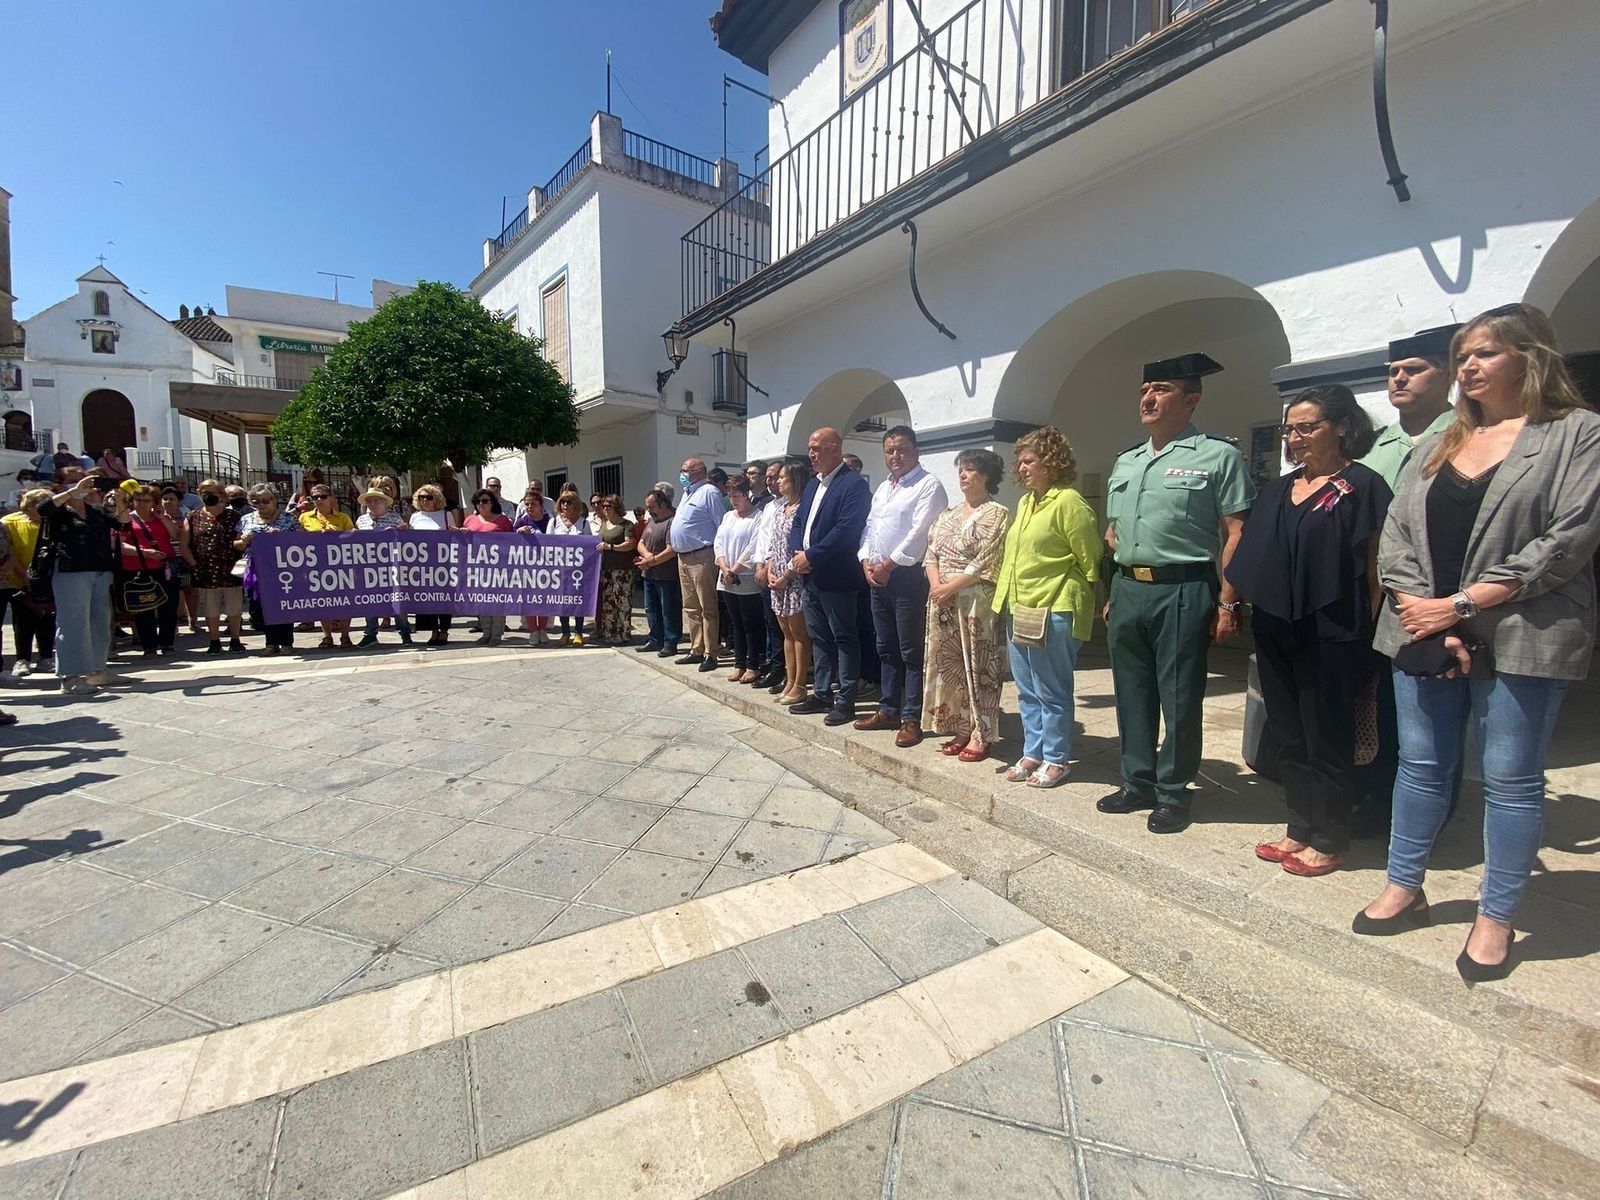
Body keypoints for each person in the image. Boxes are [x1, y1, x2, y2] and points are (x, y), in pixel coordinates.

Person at [1356, 303, 1600, 982]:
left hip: (1526, 629)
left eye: (1486, 351)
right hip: (1422, 627)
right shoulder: (1443, 441)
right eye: (1464, 353)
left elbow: (1570, 537)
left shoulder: (1577, 434)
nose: (1468, 365)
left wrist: (1462, 605)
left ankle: (1495, 915)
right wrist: (1423, 609)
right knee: (1422, 766)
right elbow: (1398, 530)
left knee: (1510, 780)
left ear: (1533, 357)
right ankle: (1405, 884)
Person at [1227, 386, 1390, 876]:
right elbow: (1251, 549)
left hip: (1334, 630)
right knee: (1288, 733)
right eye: (1289, 430)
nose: (1295, 438)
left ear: (1341, 426)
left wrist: (1371, 633)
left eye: (1306, 427)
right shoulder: (1279, 488)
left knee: (1328, 737)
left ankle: (1330, 837)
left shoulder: (1364, 485)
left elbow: (1376, 567)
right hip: (1276, 626)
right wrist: (1230, 600)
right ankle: (1299, 827)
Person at [1100, 354, 1255, 834]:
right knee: (1131, 692)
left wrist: (1229, 601)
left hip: (1183, 588)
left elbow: (1236, 533)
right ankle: (1137, 781)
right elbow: (1112, 533)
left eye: (1161, 390)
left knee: (1180, 695)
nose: (1148, 398)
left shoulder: (1218, 456)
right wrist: (1113, 590)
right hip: (1128, 588)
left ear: (1191, 400)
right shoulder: (1128, 460)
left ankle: (1172, 792)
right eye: (1145, 391)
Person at [1352, 324, 1463, 838]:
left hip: (1433, 600)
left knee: (1433, 714)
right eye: (1393, 371)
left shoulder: (1462, 436)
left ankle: (1431, 816)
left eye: (1413, 369)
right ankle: (1378, 800)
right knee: (1377, 705)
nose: (1398, 379)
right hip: (1373, 596)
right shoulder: (1379, 443)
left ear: (1447, 374)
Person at [991, 428, 1100, 788]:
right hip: (1020, 605)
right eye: (1019, 462)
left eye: (1029, 461)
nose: (1021, 468)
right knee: (1026, 688)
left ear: (1051, 463)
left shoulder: (1068, 502)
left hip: (1054, 604)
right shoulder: (1025, 504)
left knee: (1051, 688)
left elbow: (1090, 560)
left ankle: (1056, 757)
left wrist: (1081, 601)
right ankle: (1033, 751)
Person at [853, 426, 947, 748]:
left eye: (902, 449)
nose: (896, 456)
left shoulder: (928, 485)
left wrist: (887, 565)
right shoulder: (883, 488)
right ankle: (889, 708)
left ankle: (912, 717)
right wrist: (867, 561)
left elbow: (920, 533)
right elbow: (869, 528)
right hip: (877, 577)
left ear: (916, 451)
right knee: (885, 647)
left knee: (910, 651)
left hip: (906, 578)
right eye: (890, 450)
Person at [924, 450, 1010, 762]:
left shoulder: (998, 513)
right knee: (952, 668)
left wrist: (949, 586)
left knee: (980, 667)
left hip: (976, 602)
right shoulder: (945, 515)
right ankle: (961, 726)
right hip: (942, 601)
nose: (964, 475)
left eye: (971, 469)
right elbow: (930, 554)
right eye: (962, 469)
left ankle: (982, 732)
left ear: (987, 475)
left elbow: (987, 560)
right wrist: (936, 585)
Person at [788, 427, 873, 725]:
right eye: (810, 448)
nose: (811, 454)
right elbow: (798, 522)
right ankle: (821, 692)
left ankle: (846, 698)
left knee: (844, 637)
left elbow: (847, 530)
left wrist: (811, 556)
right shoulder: (813, 485)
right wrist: (798, 552)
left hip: (837, 576)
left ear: (835, 448)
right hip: (809, 576)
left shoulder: (854, 485)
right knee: (819, 637)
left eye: (817, 448)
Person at [45, 475, 123, 693]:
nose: (85, 489)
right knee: (73, 623)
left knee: (100, 621)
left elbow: (122, 524)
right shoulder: (59, 513)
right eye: (80, 485)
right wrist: (72, 492)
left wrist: (121, 500)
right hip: (71, 571)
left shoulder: (97, 512)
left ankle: (97, 671)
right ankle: (70, 678)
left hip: (100, 570)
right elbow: (44, 507)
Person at [764, 460, 813, 705]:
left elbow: (802, 547)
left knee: (799, 633)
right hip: (778, 577)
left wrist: (785, 576)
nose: (779, 481)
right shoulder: (781, 508)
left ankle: (801, 685)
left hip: (794, 579)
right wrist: (772, 568)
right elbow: (775, 545)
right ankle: (790, 679)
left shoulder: (803, 508)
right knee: (785, 633)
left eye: (783, 477)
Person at [670, 457, 724, 671]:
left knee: (707, 607)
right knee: (691, 607)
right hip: (683, 557)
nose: (682, 474)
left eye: (685, 470)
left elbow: (721, 524)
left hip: (702, 556)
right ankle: (696, 648)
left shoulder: (709, 492)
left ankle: (711, 653)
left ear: (698, 471)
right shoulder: (688, 493)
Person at [180, 478, 245, 655]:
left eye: (212, 493)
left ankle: (235, 639)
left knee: (234, 606)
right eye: (204, 493)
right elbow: (184, 543)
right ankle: (214, 640)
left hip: (230, 568)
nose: (208, 496)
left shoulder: (233, 516)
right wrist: (194, 564)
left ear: (222, 495)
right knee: (210, 607)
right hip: (205, 569)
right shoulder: (193, 516)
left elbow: (241, 539)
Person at [235, 484, 299, 655]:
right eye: (256, 502)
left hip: (283, 569)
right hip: (257, 569)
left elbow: (300, 542)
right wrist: (245, 539)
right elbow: (237, 545)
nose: (261, 505)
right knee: (261, 605)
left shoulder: (288, 519)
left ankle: (286, 641)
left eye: (265, 501)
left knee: (284, 604)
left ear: (274, 500)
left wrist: (282, 538)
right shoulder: (247, 519)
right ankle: (270, 642)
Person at [120, 484, 181, 658]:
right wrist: (146, 553)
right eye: (138, 500)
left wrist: (162, 517)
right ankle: (149, 646)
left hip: (163, 568)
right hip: (139, 569)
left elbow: (175, 536)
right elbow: (120, 544)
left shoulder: (161, 517)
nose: (142, 504)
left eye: (146, 501)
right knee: (143, 608)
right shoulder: (127, 519)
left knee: (168, 607)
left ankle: (167, 643)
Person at [0, 488, 56, 677]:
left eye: (30, 509)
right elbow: (10, 550)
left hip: (48, 580)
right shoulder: (9, 522)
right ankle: (22, 659)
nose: (27, 513)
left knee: (47, 618)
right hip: (19, 581)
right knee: (23, 621)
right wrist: (24, 574)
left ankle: (46, 657)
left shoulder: (53, 523)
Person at [714, 478, 766, 682]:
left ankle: (753, 664)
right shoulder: (728, 517)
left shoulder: (757, 517)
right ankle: (739, 663)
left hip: (744, 577)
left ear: (746, 494)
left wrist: (734, 570)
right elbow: (718, 542)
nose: (733, 500)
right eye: (730, 496)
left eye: (736, 496)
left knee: (750, 622)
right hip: (726, 576)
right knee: (735, 623)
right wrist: (724, 567)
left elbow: (753, 547)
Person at [356, 489, 414, 647]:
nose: (373, 504)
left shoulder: (395, 519)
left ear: (384, 503)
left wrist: (404, 532)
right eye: (370, 501)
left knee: (397, 600)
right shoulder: (361, 521)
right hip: (369, 568)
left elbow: (410, 541)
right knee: (370, 601)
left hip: (393, 567)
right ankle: (371, 633)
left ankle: (405, 633)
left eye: (377, 500)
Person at [299, 482, 354, 648]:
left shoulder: (343, 518)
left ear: (331, 498)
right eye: (315, 497)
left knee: (345, 601)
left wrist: (336, 535)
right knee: (323, 601)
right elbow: (298, 540)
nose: (319, 500)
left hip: (340, 564)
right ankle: (327, 635)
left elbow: (353, 538)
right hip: (317, 564)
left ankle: (345, 635)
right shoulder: (305, 517)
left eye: (323, 496)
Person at [752, 460, 787, 689]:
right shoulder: (769, 506)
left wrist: (768, 567)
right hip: (765, 570)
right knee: (771, 624)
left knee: (787, 629)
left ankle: (787, 672)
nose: (770, 480)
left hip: (780, 572)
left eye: (775, 477)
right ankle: (775, 667)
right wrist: (758, 566)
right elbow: (762, 539)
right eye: (769, 477)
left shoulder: (791, 505)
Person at [463, 488, 513, 644]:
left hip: (499, 568)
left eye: (485, 501)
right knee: (482, 601)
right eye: (477, 502)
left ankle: (497, 635)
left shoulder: (503, 520)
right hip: (477, 568)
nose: (481, 504)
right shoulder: (470, 520)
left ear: (492, 502)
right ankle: (486, 633)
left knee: (497, 602)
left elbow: (513, 543)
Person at [634, 489, 681, 656]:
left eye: (651, 506)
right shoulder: (651, 522)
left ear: (663, 504)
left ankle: (670, 642)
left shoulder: (672, 522)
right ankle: (655, 640)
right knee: (651, 609)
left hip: (667, 576)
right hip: (649, 575)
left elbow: (671, 550)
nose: (649, 510)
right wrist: (647, 557)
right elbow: (640, 542)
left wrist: (651, 561)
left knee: (669, 610)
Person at [408, 484, 456, 645]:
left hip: (442, 564)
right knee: (427, 599)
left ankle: (444, 630)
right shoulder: (415, 517)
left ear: (437, 499)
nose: (425, 501)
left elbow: (452, 536)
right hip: (422, 566)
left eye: (429, 497)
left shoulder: (446, 515)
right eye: (421, 497)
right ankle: (433, 630)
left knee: (443, 598)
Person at [593, 495, 637, 646]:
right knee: (608, 602)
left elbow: (630, 544)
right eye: (604, 506)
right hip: (606, 570)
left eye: (608, 506)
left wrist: (611, 547)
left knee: (622, 602)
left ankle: (624, 633)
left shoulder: (626, 525)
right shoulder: (604, 524)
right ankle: (610, 631)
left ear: (617, 508)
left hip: (622, 570)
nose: (605, 508)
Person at [512, 489, 553, 645]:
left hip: (545, 566)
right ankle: (532, 631)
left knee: (543, 600)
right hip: (526, 567)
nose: (529, 507)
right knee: (529, 600)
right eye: (527, 504)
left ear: (541, 506)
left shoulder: (550, 520)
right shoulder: (521, 521)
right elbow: (507, 540)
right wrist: (518, 532)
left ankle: (542, 630)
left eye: (533, 504)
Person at [548, 491, 589, 646]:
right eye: (563, 502)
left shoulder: (584, 523)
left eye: (569, 502)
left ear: (576, 504)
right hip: (559, 570)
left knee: (577, 601)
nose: (565, 505)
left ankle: (579, 632)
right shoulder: (553, 522)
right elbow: (547, 545)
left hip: (578, 570)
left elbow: (589, 545)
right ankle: (565, 632)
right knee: (562, 602)